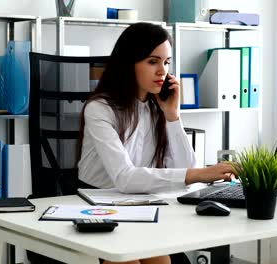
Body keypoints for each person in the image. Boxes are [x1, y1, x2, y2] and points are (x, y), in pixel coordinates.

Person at [77, 22, 234, 264]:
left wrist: (173, 116)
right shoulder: (100, 109)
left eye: (166, 62)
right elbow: (125, 177)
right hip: (97, 206)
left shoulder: (157, 107)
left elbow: (185, 170)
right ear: (129, 63)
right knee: (128, 259)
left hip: (139, 205)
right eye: (153, 61)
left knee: (161, 260)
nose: (162, 71)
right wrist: (200, 173)